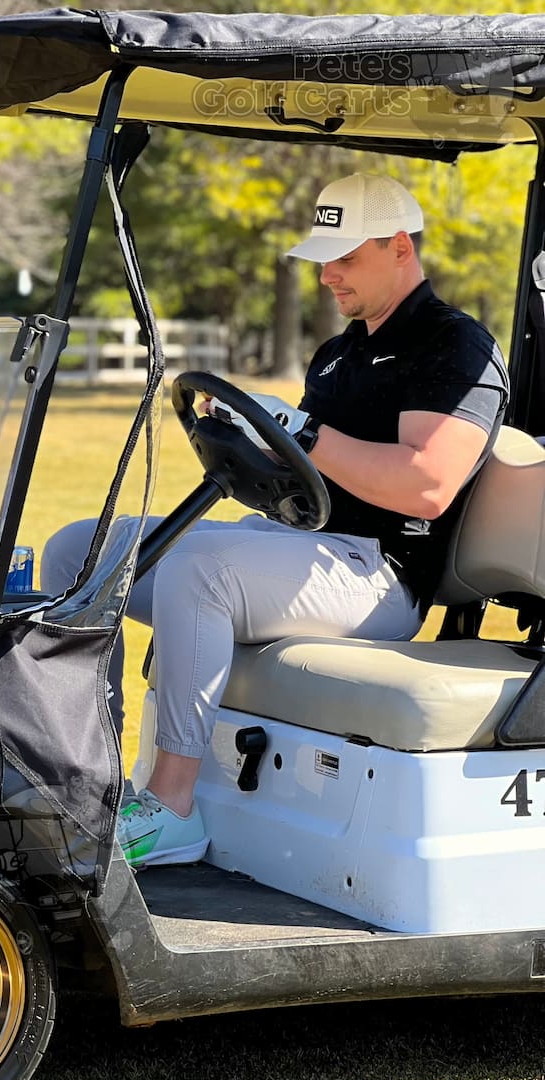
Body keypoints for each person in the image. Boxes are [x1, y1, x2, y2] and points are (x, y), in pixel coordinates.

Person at [40, 172, 509, 869]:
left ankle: (171, 806)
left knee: (199, 572)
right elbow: (305, 475)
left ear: (400, 247)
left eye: (346, 258)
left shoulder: (452, 347)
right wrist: (254, 442)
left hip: (380, 572)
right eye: (325, 258)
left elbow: (427, 484)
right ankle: (87, 782)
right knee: (77, 549)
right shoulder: (340, 352)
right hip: (303, 544)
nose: (328, 276)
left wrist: (305, 431)